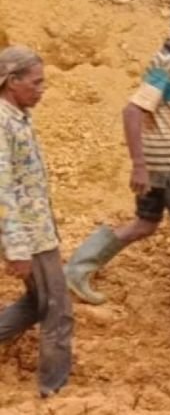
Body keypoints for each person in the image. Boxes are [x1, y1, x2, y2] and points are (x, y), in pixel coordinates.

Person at [64, 0, 170, 320]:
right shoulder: (164, 66)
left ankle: (77, 268)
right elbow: (133, 111)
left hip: (168, 158)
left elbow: (165, 113)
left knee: (145, 224)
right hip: (169, 168)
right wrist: (139, 164)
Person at [0, 46, 73, 398]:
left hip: (37, 231)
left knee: (35, 303)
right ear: (12, 82)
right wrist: (16, 246)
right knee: (57, 310)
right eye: (36, 82)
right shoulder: (1, 123)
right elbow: (2, 190)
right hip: (31, 237)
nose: (42, 89)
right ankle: (53, 390)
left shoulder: (17, 117)